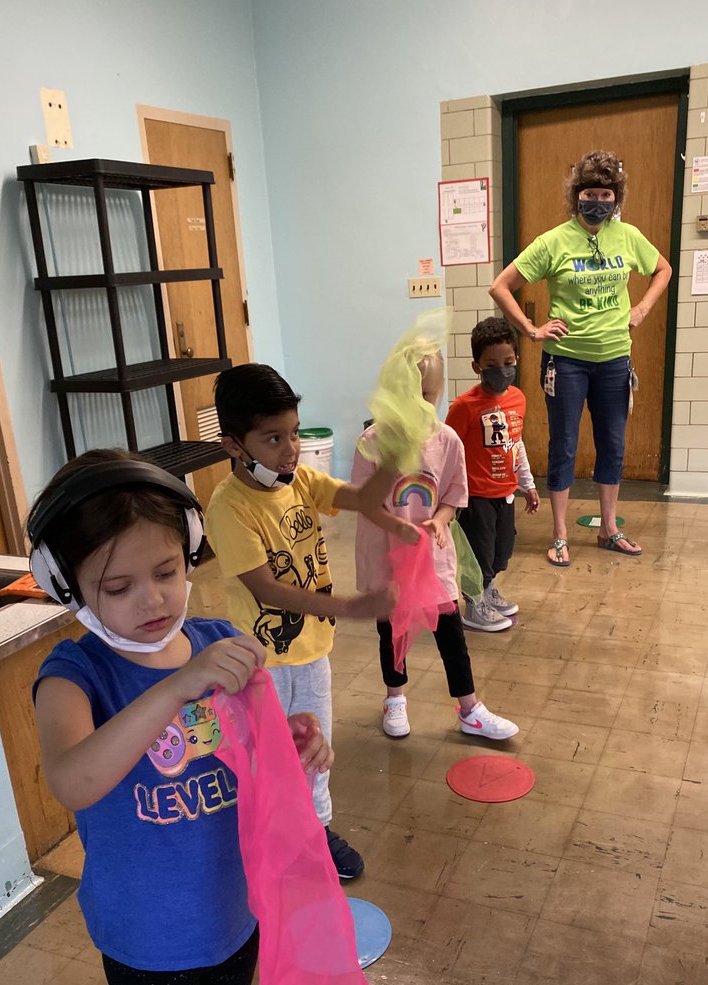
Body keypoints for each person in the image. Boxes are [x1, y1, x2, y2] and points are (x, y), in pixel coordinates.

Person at [28, 449, 322, 985]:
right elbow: (73, 778)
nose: (153, 598)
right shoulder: (76, 673)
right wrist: (179, 685)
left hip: (232, 911)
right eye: (117, 586)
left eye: (168, 570)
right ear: (71, 589)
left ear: (191, 547)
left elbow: (251, 747)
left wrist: (294, 742)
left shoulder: (219, 639)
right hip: (146, 935)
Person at [205, 363, 416, 881]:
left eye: (294, 433)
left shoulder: (296, 479)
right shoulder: (229, 507)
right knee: (270, 757)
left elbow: (358, 498)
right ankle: (270, 838)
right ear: (234, 444)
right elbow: (265, 589)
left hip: (313, 651)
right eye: (274, 438)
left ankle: (316, 830)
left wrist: (390, 469)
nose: (291, 448)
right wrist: (351, 605)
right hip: (264, 661)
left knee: (317, 748)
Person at [489, 149, 672, 566]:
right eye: (591, 193)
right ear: (577, 196)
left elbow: (663, 269)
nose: (599, 201)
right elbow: (501, 286)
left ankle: (608, 529)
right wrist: (532, 331)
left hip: (614, 359)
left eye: (607, 195)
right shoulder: (554, 241)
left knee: (613, 445)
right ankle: (559, 534)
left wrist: (641, 309)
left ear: (615, 199)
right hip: (566, 361)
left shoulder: (627, 236)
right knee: (564, 446)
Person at [352, 348, 519, 740]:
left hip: (433, 558)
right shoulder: (372, 442)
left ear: (438, 392)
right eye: (410, 394)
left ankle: (469, 708)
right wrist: (393, 523)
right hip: (385, 557)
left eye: (427, 395)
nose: (419, 404)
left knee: (450, 632)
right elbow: (361, 499)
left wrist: (441, 521)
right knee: (390, 630)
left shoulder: (448, 441)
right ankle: (395, 698)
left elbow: (453, 496)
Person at [445, 316, 540, 631]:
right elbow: (448, 450)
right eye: (492, 364)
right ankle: (473, 606)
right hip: (476, 496)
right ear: (477, 366)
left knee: (501, 552)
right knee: (478, 554)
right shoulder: (464, 406)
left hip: (506, 492)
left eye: (508, 361)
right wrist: (448, 499)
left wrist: (528, 484)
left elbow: (517, 444)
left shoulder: (518, 399)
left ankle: (486, 591)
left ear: (517, 359)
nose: (502, 369)